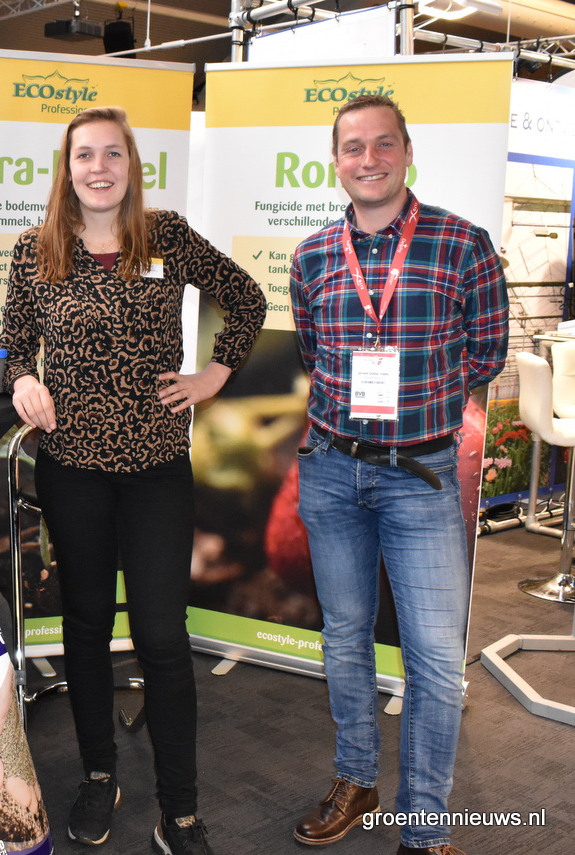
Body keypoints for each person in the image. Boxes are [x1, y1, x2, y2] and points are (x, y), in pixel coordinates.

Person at [0, 105, 266, 855]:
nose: (99, 168)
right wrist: (24, 380)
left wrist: (213, 374)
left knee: (161, 636)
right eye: (84, 155)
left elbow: (247, 298)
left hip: (156, 470)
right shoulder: (36, 249)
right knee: (85, 628)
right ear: (68, 168)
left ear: (131, 165)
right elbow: (14, 343)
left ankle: (179, 810)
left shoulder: (165, 236)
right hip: (72, 469)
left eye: (112, 154)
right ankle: (98, 774)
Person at [288, 94, 508, 855]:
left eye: (384, 144)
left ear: (408, 152)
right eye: (354, 147)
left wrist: (425, 398)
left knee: (437, 663)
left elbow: (487, 352)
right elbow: (313, 352)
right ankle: (357, 780)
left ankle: (425, 825)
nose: (369, 159)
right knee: (346, 637)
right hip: (331, 472)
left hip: (422, 476)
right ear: (336, 161)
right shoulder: (313, 255)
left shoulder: (463, 243)